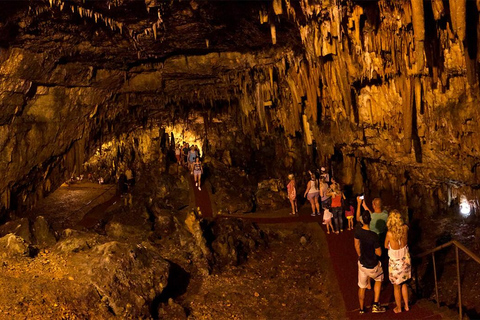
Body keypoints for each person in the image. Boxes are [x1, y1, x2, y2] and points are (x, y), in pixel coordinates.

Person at [354, 208, 386, 314]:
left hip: (362, 264)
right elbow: (379, 253)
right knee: (379, 279)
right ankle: (375, 304)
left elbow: (356, 244)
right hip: (373, 265)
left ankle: (361, 308)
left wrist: (360, 255)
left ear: (362, 220)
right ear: (370, 220)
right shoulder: (373, 236)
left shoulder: (358, 231)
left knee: (361, 286)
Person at [384, 210, 411, 313]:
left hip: (395, 263)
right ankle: (407, 306)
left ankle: (399, 308)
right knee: (404, 283)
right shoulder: (405, 229)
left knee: (396, 287)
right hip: (405, 260)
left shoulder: (389, 234)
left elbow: (385, 245)